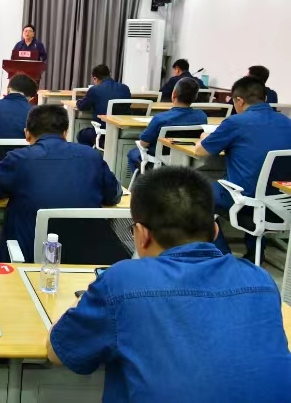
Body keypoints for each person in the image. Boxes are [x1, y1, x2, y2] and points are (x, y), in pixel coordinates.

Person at [48, 167, 291, 403]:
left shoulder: (122, 282)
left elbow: (58, 351)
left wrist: (80, 303)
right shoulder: (261, 280)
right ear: (216, 230)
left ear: (142, 234)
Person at [0, 104, 122, 262]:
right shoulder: (91, 155)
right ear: (65, 133)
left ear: (27, 133)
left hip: (28, 259)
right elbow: (114, 196)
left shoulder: (19, 159)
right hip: (86, 259)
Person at [196, 76, 291, 262]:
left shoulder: (235, 123)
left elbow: (201, 151)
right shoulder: (287, 122)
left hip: (248, 201)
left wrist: (204, 137)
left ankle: (223, 256)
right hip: (283, 201)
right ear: (264, 98)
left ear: (239, 100)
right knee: (254, 180)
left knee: (197, 193)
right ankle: (255, 253)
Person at [127, 77, 207, 175]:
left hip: (160, 161)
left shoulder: (160, 119)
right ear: (195, 97)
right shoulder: (202, 117)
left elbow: (144, 143)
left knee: (132, 154)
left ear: (174, 94)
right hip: (187, 160)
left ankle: (143, 182)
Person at [76, 64, 132, 147]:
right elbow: (128, 104)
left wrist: (78, 102)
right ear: (109, 74)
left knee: (81, 135)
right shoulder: (125, 88)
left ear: (95, 78)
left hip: (103, 133)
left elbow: (82, 106)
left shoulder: (94, 90)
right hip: (122, 131)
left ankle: (90, 153)